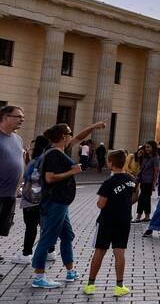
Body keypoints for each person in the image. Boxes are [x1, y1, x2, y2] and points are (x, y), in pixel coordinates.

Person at [30, 120, 105, 288]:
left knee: (67, 235)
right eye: (69, 133)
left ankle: (70, 271)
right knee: (48, 237)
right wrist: (73, 171)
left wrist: (93, 127)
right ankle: (39, 276)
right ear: (64, 137)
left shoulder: (58, 149)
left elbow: (79, 137)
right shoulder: (55, 154)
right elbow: (49, 178)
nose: (72, 136)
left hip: (61, 202)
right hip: (55, 202)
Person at [82, 149, 138, 297]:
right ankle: (119, 286)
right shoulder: (132, 179)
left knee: (100, 251)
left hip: (107, 220)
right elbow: (135, 197)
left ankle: (91, 285)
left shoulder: (109, 182)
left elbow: (101, 204)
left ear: (110, 163)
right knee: (120, 251)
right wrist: (124, 205)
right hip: (124, 219)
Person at [11, 135, 56, 265]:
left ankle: (26, 254)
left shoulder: (35, 161)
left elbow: (25, 177)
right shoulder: (49, 160)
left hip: (31, 199)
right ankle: (50, 251)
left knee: (31, 227)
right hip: (46, 199)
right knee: (45, 226)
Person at [0, 106, 28, 264]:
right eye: (18, 116)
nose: (22, 119)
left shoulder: (18, 139)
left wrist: (18, 187)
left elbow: (20, 162)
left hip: (10, 193)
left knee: (2, 228)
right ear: (5, 117)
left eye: (22, 117)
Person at [133, 140, 160, 222]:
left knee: (142, 198)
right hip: (142, 179)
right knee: (146, 199)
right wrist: (139, 156)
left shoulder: (156, 158)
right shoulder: (145, 156)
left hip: (149, 181)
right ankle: (147, 216)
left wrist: (154, 183)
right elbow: (139, 165)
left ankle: (138, 216)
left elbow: (156, 171)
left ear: (153, 147)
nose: (147, 149)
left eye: (148, 147)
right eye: (146, 147)